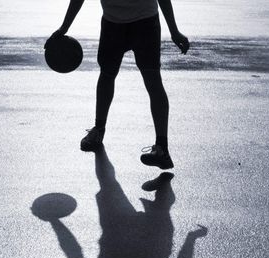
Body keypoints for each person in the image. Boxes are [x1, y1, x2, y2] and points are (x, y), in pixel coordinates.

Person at [46, 0, 189, 169]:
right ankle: (100, 130)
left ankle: (162, 148)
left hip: (143, 22)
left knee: (150, 80)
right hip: (116, 23)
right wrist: (63, 28)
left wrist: (174, 30)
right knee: (109, 76)